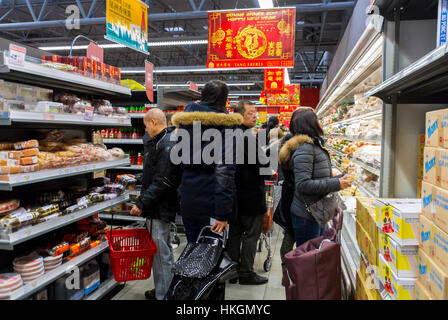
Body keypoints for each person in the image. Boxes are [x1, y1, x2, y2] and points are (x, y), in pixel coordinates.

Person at [171, 80, 242, 242]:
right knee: (210, 255)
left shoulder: (185, 122)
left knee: (193, 247)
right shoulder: (227, 126)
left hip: (189, 198)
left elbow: (179, 159)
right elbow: (224, 171)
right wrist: (223, 212)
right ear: (224, 100)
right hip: (212, 202)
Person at [278, 109, 352, 247]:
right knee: (308, 261)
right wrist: (336, 183)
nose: (320, 122)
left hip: (316, 213)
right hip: (307, 215)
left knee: (314, 256)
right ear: (310, 124)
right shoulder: (305, 149)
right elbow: (303, 184)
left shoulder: (312, 145)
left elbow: (317, 175)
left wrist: (342, 178)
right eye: (317, 119)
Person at [130, 108, 182, 300]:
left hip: (160, 207)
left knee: (161, 254)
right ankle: (164, 289)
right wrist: (137, 178)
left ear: (153, 123)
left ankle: (164, 295)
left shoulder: (167, 144)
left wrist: (142, 203)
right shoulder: (160, 142)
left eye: (146, 126)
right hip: (158, 205)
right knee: (162, 251)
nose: (145, 131)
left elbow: (164, 181)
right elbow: (155, 174)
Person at [227, 101, 269, 285]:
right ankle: (246, 273)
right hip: (250, 195)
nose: (255, 116)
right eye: (251, 113)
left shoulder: (230, 135)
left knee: (235, 233)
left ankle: (231, 271)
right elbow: (262, 166)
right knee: (251, 235)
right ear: (240, 115)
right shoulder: (247, 137)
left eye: (256, 112)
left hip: (235, 195)